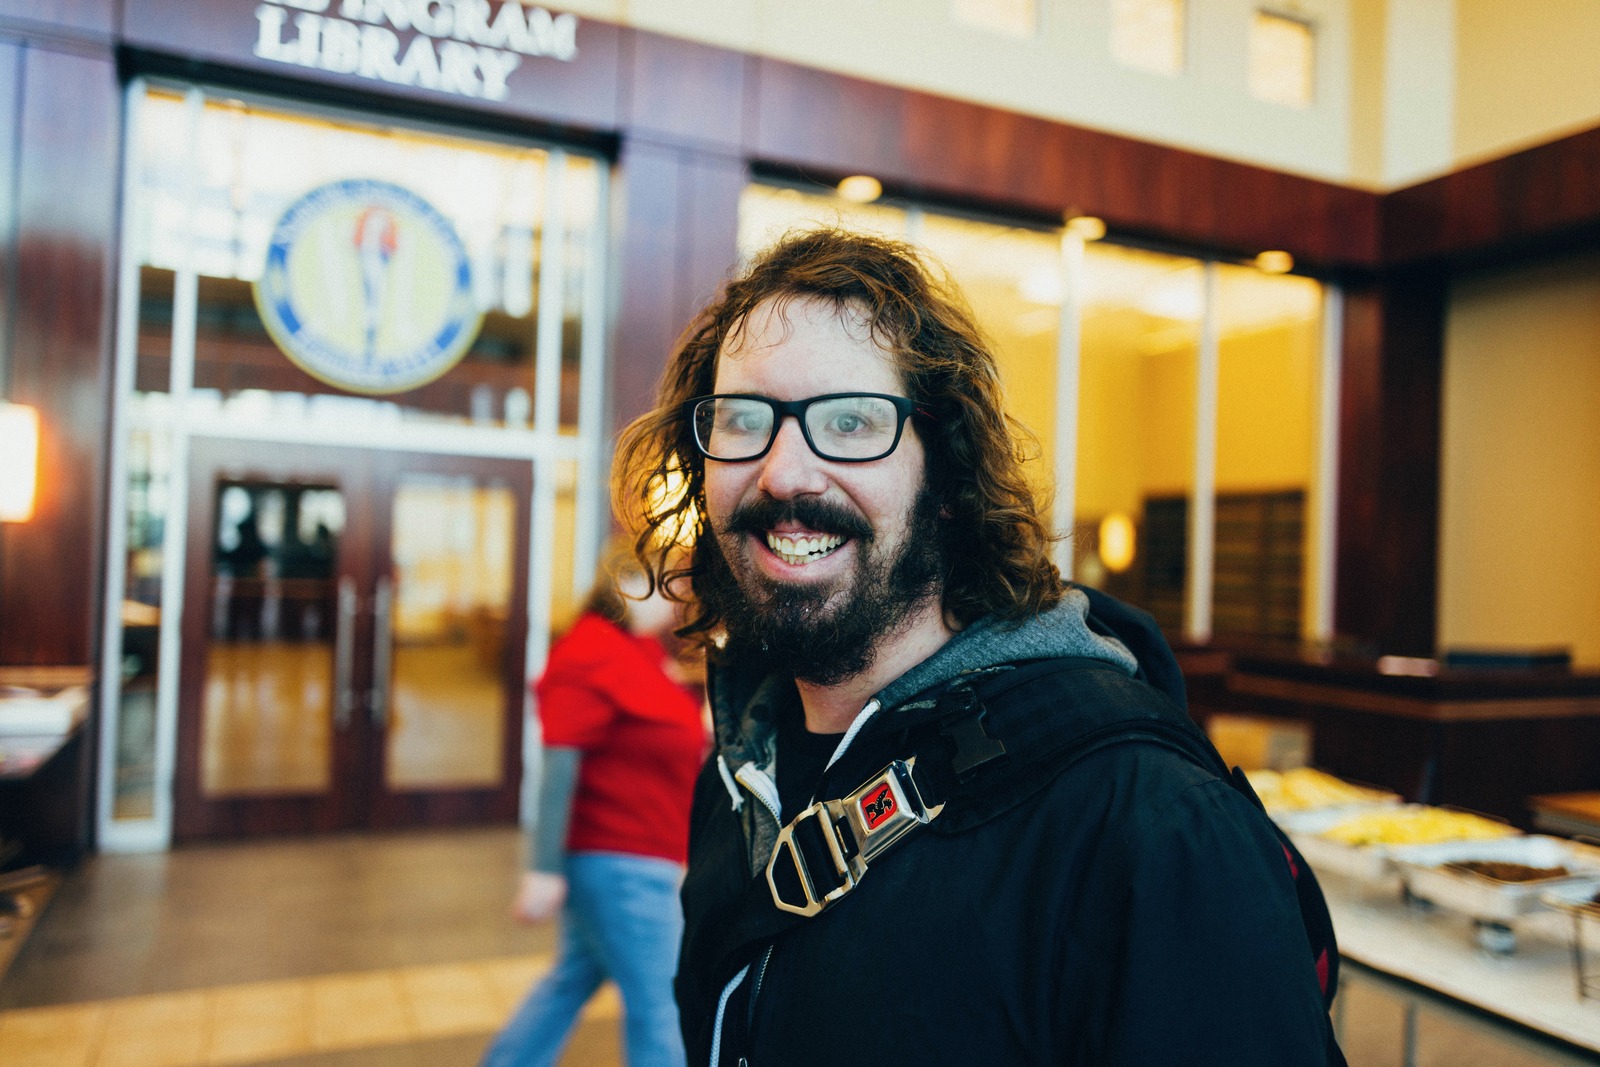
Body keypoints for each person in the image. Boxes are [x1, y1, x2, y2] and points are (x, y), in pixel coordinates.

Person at [612, 228, 1346, 1066]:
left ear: (949, 483)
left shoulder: (1149, 825)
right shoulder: (745, 771)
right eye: (744, 419)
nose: (784, 472)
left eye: (851, 422)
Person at [481, 545, 704, 1067]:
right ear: (625, 585)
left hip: (630, 857)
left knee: (571, 980)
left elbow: (663, 724)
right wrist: (542, 868)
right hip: (621, 864)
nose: (676, 604)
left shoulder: (639, 651)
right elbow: (559, 766)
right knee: (663, 1005)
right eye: (665, 588)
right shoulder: (590, 652)